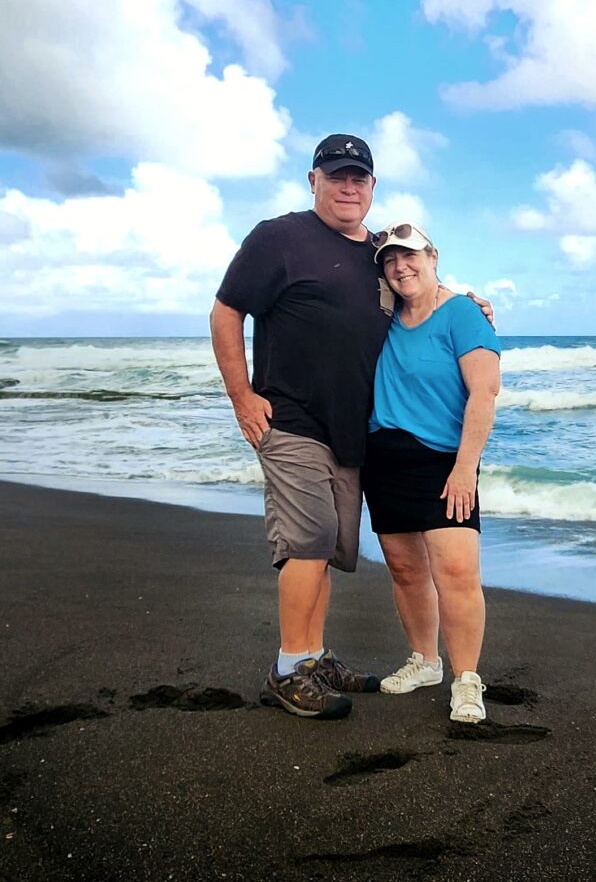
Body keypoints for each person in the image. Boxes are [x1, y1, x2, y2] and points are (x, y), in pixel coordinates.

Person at [210, 136, 492, 720]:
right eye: (336, 176)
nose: (347, 187)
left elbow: (416, 293)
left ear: (372, 187)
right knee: (307, 541)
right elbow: (226, 311)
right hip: (292, 420)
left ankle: (313, 656)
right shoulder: (278, 238)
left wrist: (465, 302)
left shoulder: (376, 257)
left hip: (352, 435)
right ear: (312, 179)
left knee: (331, 549)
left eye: (358, 178)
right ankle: (289, 668)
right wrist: (241, 395)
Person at [362, 221, 501, 724]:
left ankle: (467, 679)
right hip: (383, 457)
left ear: (433, 255)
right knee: (405, 571)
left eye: (410, 256)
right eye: (390, 261)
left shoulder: (463, 313)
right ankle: (425, 661)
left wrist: (466, 469)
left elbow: (485, 392)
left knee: (458, 573)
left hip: (445, 461)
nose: (401, 266)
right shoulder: (382, 316)